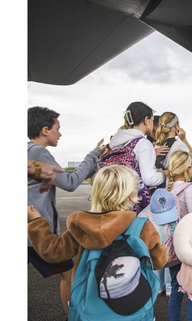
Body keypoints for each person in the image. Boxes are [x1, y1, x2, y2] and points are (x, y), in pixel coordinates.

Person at [27, 165, 168, 316]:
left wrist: (36, 222)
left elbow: (52, 251)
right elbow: (159, 261)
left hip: (89, 307)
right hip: (133, 308)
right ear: (130, 195)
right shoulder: (142, 226)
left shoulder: (82, 226)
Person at [27, 106, 105, 313]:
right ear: (45, 130)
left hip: (30, 231)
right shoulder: (38, 152)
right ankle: (74, 315)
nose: (59, 134)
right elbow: (70, 182)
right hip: (36, 233)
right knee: (68, 275)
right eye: (57, 129)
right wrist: (94, 154)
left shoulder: (27, 151)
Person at [108, 102, 167, 212]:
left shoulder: (114, 143)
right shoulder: (142, 143)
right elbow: (149, 179)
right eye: (152, 120)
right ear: (146, 120)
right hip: (132, 204)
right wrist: (164, 175)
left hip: (113, 202)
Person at [165, 150, 192, 321]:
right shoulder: (189, 188)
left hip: (173, 244)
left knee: (176, 287)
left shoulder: (167, 189)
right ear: (187, 168)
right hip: (188, 244)